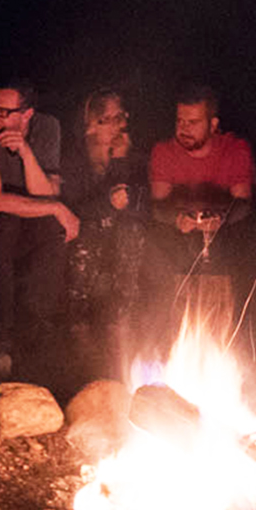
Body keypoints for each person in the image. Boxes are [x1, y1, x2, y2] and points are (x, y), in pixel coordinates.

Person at [0, 79, 78, 375]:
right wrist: (56, 208)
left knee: (52, 232)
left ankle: (36, 332)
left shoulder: (47, 127)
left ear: (26, 115)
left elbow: (45, 192)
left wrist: (26, 152)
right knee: (5, 227)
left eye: (2, 112)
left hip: (32, 208)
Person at [147, 84, 256, 332]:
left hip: (225, 236)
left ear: (213, 124)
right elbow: (157, 206)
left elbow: (243, 203)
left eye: (193, 122)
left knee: (248, 239)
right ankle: (162, 334)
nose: (184, 129)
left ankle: (241, 335)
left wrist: (220, 218)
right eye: (180, 121)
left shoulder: (234, 149)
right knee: (157, 243)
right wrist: (178, 219)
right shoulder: (164, 151)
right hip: (178, 239)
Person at [60, 88, 145, 331]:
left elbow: (136, 205)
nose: (120, 125)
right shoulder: (72, 161)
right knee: (87, 234)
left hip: (120, 241)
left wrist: (119, 161)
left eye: (122, 117)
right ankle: (76, 321)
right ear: (90, 125)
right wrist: (107, 204)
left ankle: (119, 320)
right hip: (86, 240)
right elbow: (73, 208)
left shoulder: (133, 158)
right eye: (111, 119)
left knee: (132, 231)